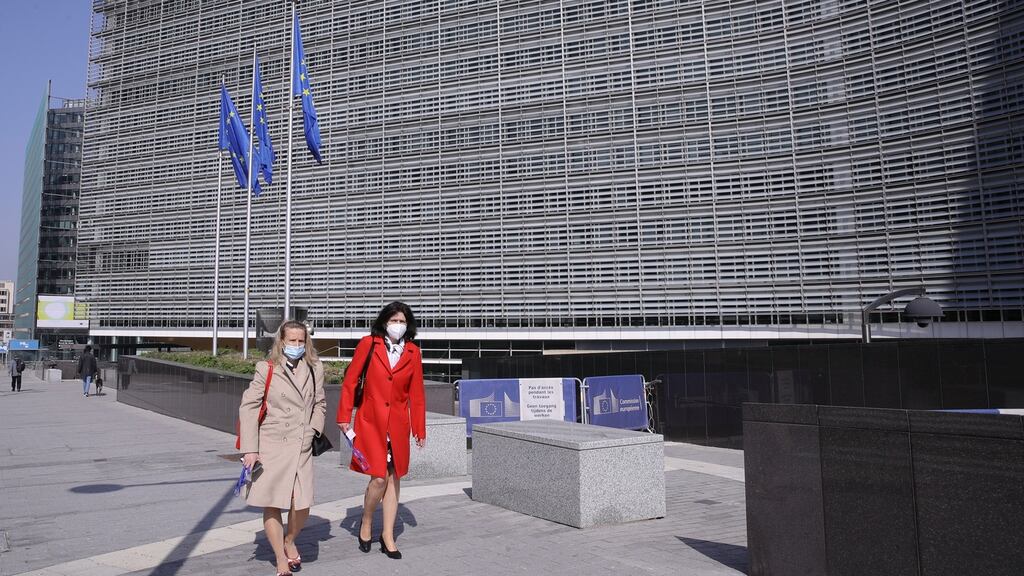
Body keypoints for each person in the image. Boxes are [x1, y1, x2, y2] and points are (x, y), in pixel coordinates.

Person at [337, 301, 426, 560]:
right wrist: (344, 416)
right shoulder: (369, 344)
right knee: (378, 477)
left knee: (394, 476)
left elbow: (417, 394)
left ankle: (388, 535)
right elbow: (351, 381)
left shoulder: (413, 352)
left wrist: (419, 429)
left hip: (398, 424)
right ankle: (366, 521)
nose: (397, 325)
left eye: (402, 321)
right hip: (371, 421)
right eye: (393, 320)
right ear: (384, 322)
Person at [239, 320, 327, 576]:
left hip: (301, 445)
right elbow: (249, 407)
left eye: (301, 341)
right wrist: (250, 449)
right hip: (272, 445)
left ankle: (290, 539)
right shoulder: (266, 368)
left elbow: (320, 402)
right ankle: (280, 558)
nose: (297, 346)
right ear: (282, 341)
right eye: (292, 341)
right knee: (273, 502)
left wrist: (314, 430)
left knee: (302, 504)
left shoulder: (315, 368)